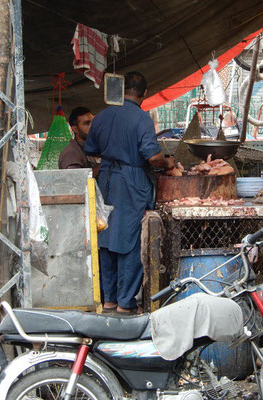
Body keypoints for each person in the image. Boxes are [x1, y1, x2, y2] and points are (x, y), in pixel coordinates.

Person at [84, 71, 175, 314]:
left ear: (122, 90)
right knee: (131, 241)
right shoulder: (141, 118)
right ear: (144, 94)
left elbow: (91, 148)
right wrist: (168, 163)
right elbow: (153, 157)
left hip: (106, 180)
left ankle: (109, 300)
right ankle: (125, 303)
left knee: (106, 238)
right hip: (131, 182)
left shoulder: (101, 117)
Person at [58, 107, 99, 176]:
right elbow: (74, 179)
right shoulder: (71, 153)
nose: (92, 126)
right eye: (87, 123)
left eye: (93, 122)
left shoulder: (90, 147)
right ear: (75, 129)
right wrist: (103, 168)